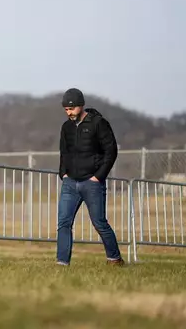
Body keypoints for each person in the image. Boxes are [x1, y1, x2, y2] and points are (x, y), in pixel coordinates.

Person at [57, 88, 124, 266]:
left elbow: (111, 151)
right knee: (63, 222)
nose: (69, 113)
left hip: (92, 183)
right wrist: (63, 173)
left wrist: (98, 176)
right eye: (66, 110)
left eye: (71, 109)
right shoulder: (66, 127)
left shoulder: (98, 123)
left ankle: (114, 258)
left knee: (99, 223)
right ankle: (62, 262)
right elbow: (64, 151)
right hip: (70, 182)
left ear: (81, 106)